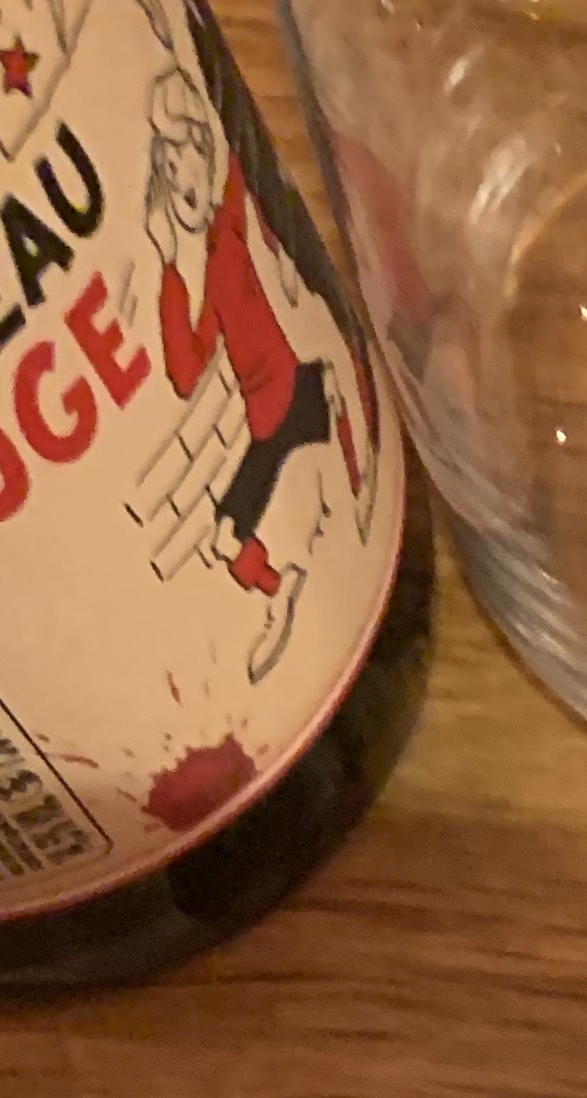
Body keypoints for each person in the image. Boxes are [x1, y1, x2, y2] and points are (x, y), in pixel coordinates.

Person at [142, 64, 362, 683]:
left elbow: (234, 159)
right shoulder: (208, 277)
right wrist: (168, 267)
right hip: (269, 425)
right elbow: (185, 370)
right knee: (223, 537)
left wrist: (185, 102)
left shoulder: (233, 226)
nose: (178, 185)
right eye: (168, 177)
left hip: (295, 394)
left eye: (182, 162)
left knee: (336, 415)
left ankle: (358, 483)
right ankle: (279, 587)